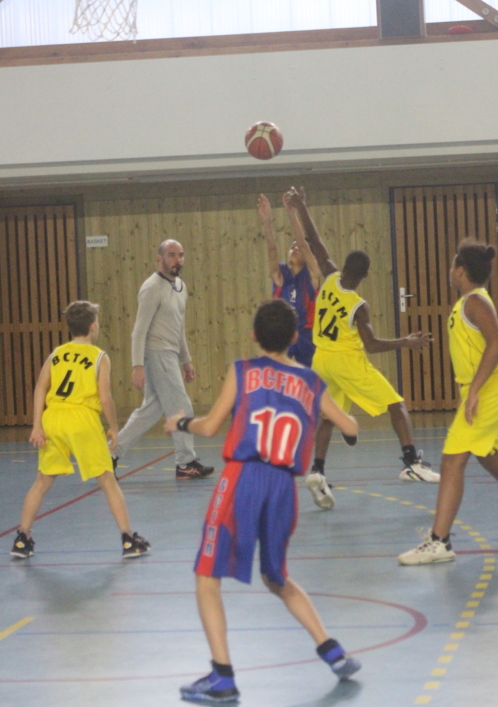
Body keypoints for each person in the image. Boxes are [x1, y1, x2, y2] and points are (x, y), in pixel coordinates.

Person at [164, 299, 362, 704]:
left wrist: (180, 421)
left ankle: (222, 677)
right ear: (294, 338)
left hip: (243, 479)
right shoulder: (310, 382)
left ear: (254, 335)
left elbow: (210, 427)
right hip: (284, 488)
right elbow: (351, 426)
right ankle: (333, 652)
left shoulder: (243, 371)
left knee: (207, 576)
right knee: (277, 578)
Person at [286, 188, 439, 511]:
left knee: (329, 416)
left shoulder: (330, 277)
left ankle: (317, 470)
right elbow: (370, 345)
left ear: (343, 266)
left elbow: (315, 241)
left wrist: (301, 206)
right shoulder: (359, 305)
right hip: (347, 361)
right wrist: (406, 342)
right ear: (366, 275)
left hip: (321, 360)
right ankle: (411, 462)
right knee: (396, 404)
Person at [398, 240, 498, 565]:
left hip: (488, 387)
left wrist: (474, 390)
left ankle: (440, 542)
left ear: (460, 271)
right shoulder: (467, 302)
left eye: (452, 266)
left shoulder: (475, 301)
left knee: (451, 459)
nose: (450, 272)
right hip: (483, 388)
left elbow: (497, 343)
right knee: (488, 456)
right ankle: (440, 541)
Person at [11, 301, 150, 561]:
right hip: (82, 419)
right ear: (93, 326)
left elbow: (40, 388)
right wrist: (114, 426)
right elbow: (105, 397)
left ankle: (22, 538)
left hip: (53, 419)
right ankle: (128, 539)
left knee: (42, 481)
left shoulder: (56, 354)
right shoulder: (99, 357)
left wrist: (37, 425)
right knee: (107, 480)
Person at [113, 239, 214, 480]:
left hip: (170, 354)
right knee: (181, 407)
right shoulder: (152, 288)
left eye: (180, 255)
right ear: (160, 258)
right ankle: (185, 463)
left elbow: (178, 327)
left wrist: (186, 359)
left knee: (150, 410)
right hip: (156, 354)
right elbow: (139, 330)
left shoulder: (181, 286)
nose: (177, 260)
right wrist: (137, 366)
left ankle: (111, 454)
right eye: (171, 255)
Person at [258, 191, 321, 367]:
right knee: (275, 372)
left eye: (298, 247)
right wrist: (267, 221)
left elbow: (303, 244)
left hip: (307, 335)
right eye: (292, 246)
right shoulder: (281, 275)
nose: (295, 248)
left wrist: (292, 214)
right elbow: (272, 249)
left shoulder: (312, 274)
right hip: (283, 332)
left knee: (310, 377)